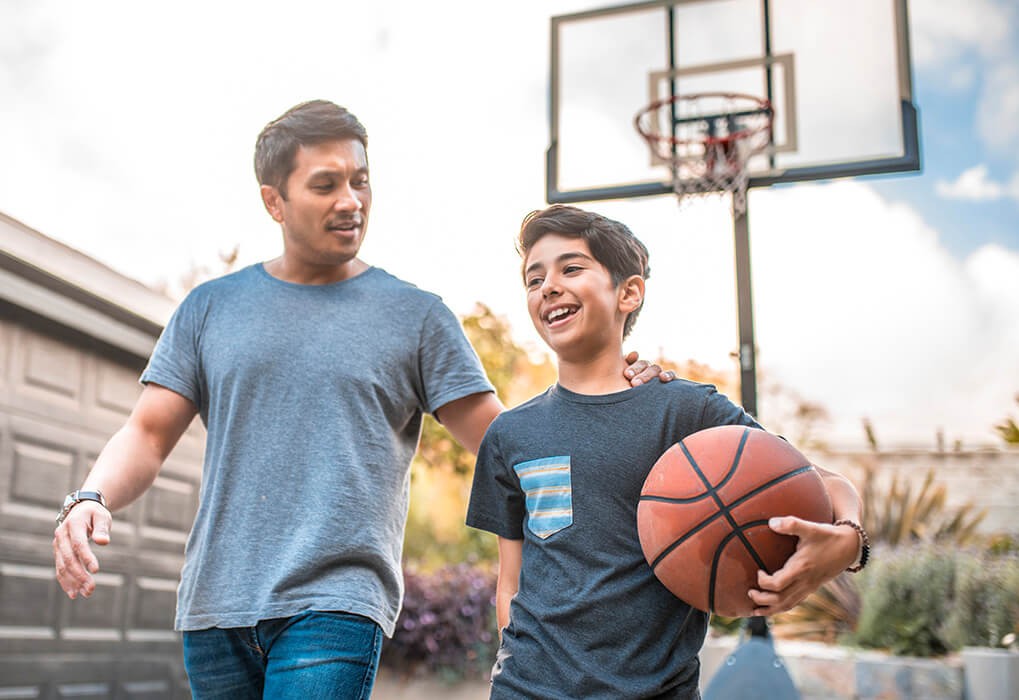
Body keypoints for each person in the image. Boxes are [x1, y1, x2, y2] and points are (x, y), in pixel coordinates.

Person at [51, 101, 673, 700]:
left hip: (338, 603)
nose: (351, 201)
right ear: (275, 200)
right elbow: (148, 432)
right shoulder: (210, 309)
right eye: (325, 185)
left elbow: (509, 444)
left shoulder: (416, 317)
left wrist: (615, 393)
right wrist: (90, 496)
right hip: (216, 607)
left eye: (361, 181)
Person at [465, 205, 867, 699]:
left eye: (571, 268)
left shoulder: (686, 411)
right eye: (533, 278)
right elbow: (512, 581)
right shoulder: (511, 433)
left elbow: (824, 483)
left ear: (628, 293)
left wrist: (849, 540)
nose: (547, 286)